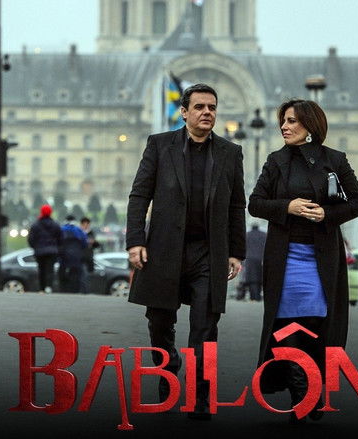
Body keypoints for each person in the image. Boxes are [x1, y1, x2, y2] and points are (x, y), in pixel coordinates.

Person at [126, 83, 246, 420]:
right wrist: (135, 241)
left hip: (208, 252)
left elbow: (237, 204)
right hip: (164, 250)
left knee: (205, 327)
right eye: (199, 107)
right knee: (159, 322)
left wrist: (236, 251)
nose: (207, 112)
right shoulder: (159, 145)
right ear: (184, 112)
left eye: (212, 107)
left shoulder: (230, 152)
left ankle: (199, 396)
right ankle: (168, 369)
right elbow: (139, 195)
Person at [248, 98, 358, 424]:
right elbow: (255, 203)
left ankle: (309, 389)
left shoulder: (334, 160)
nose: (284, 127)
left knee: (315, 324)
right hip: (286, 257)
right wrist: (287, 207)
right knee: (288, 326)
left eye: (291, 121)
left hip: (320, 258)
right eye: (283, 121)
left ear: (310, 125)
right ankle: (302, 395)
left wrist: (327, 213)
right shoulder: (276, 161)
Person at [27, 204, 62, 293]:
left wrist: (35, 247)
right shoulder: (55, 225)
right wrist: (57, 247)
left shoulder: (36, 225)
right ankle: (49, 286)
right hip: (52, 251)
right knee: (50, 269)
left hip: (40, 251)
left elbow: (31, 239)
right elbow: (60, 238)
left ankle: (42, 288)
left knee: (41, 269)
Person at [58, 215, 88, 293]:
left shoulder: (61, 230)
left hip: (63, 257)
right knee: (75, 276)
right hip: (76, 258)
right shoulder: (79, 230)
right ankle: (74, 291)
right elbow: (85, 243)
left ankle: (63, 290)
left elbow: (57, 242)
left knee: (62, 275)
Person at [243, 224, 267, 302]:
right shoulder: (264, 235)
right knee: (260, 278)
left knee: (251, 278)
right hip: (261, 258)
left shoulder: (247, 235)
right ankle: (258, 296)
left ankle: (253, 296)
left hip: (249, 258)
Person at [79, 217, 100, 293]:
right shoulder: (79, 233)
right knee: (84, 275)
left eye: (87, 224)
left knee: (88, 276)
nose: (86, 226)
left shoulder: (91, 233)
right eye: (84, 224)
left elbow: (96, 245)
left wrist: (94, 242)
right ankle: (84, 291)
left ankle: (86, 291)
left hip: (89, 258)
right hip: (81, 258)